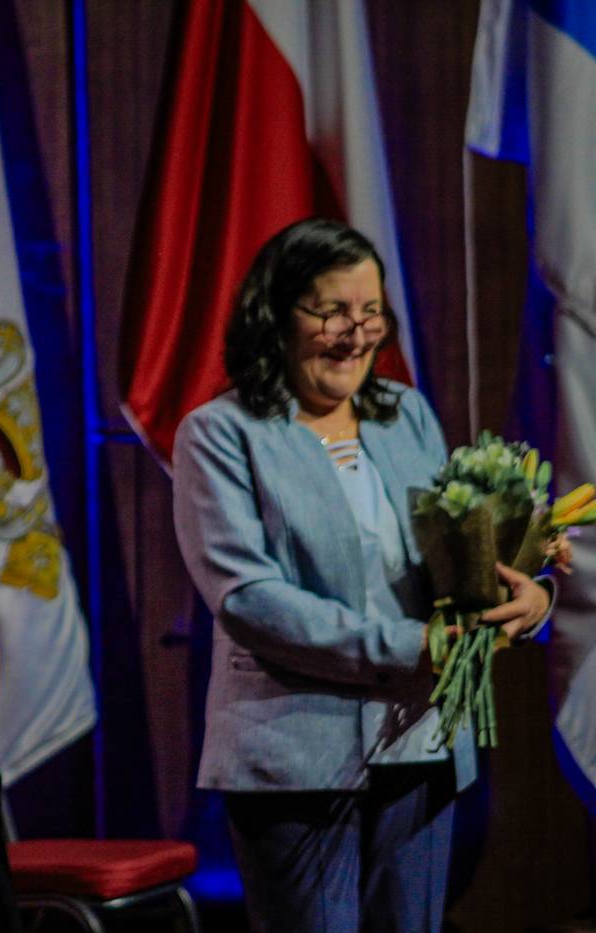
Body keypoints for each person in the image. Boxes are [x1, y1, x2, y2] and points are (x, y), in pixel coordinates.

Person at [172, 218, 552, 932]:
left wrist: (524, 590)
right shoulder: (219, 433)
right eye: (331, 312)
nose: (356, 333)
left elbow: (452, 560)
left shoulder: (406, 413)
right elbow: (250, 599)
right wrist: (413, 647)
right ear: (276, 315)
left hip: (422, 741)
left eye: (370, 311)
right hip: (294, 759)